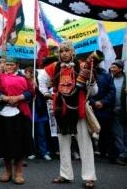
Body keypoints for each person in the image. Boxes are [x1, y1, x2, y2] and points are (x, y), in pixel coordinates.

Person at [38, 41, 98, 188]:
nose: (64, 53)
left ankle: (89, 177)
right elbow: (41, 81)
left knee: (85, 144)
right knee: (63, 144)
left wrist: (90, 84)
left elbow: (95, 90)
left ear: (72, 52)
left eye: (67, 51)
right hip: (61, 110)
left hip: (78, 110)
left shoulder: (84, 66)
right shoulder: (53, 67)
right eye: (62, 51)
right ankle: (65, 175)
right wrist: (46, 93)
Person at [0, 57, 34, 185]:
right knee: (5, 143)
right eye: (7, 64)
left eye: (11, 64)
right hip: (3, 113)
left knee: (19, 143)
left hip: (19, 114)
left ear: (16, 65)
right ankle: (7, 171)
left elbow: (31, 92)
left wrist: (18, 98)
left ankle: (18, 172)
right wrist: (5, 98)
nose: (8, 67)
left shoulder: (24, 78)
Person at [87, 52, 115, 163]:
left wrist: (103, 102)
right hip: (91, 108)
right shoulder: (86, 74)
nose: (92, 61)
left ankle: (110, 154)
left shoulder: (106, 75)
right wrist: (94, 102)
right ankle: (89, 155)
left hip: (104, 109)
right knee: (89, 133)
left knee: (107, 133)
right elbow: (85, 93)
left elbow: (112, 91)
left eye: (95, 60)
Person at [109, 60, 127, 166]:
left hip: (125, 111)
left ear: (120, 69)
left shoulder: (126, 79)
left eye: (114, 67)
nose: (112, 69)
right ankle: (121, 155)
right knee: (118, 135)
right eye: (111, 67)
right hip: (115, 112)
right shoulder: (110, 79)